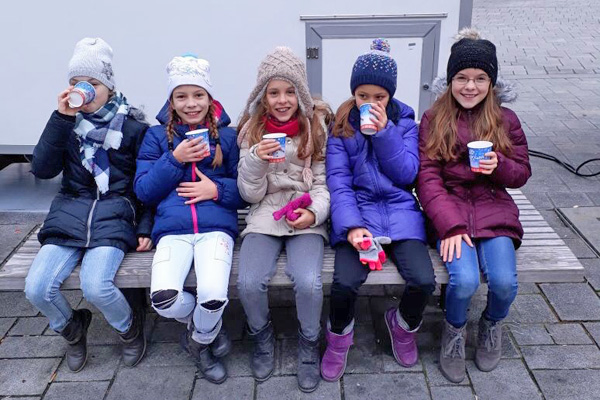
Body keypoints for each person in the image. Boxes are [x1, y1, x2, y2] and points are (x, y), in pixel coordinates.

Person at [24, 38, 153, 372]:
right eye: (76, 83)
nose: (84, 90)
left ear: (109, 86)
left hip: (114, 218)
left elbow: (148, 187)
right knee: (37, 288)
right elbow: (42, 169)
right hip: (68, 217)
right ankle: (71, 328)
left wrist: (145, 228)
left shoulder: (134, 129)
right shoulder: (67, 126)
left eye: (93, 83)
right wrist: (60, 118)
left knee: (96, 287)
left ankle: (129, 329)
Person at [417, 28, 531, 383]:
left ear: (491, 82)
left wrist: (500, 166)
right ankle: (453, 331)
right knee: (464, 281)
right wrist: (449, 226)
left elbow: (522, 172)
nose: (470, 86)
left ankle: (492, 324)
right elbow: (427, 179)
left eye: (480, 78)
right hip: (449, 213)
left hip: (494, 210)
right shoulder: (434, 119)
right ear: (450, 81)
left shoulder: (505, 119)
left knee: (504, 283)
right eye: (462, 78)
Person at [321, 38, 436, 382]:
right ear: (353, 93)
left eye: (379, 97)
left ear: (391, 96)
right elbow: (339, 182)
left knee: (423, 280)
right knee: (344, 283)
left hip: (401, 214)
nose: (370, 103)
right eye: (363, 96)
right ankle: (338, 339)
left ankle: (402, 326)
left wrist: (385, 133)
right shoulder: (341, 127)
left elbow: (407, 174)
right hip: (359, 214)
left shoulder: (406, 125)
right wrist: (352, 226)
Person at [134, 54, 245, 384]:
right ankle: (208, 326)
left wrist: (216, 190)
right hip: (172, 231)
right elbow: (144, 191)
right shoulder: (156, 137)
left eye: (198, 95)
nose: (191, 103)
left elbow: (246, 191)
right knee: (163, 300)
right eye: (181, 96)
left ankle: (199, 343)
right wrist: (175, 158)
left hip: (217, 229)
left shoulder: (228, 137)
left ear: (210, 98)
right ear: (171, 101)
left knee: (214, 295)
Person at [236, 46, 332, 392]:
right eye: (273, 92)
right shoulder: (251, 131)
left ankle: (309, 342)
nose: (282, 100)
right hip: (265, 213)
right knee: (249, 281)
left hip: (304, 213)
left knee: (308, 281)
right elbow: (249, 195)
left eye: (290, 91)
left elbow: (322, 184)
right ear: (263, 97)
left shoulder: (315, 127)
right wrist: (256, 160)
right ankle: (261, 336)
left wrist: (314, 213)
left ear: (301, 93)